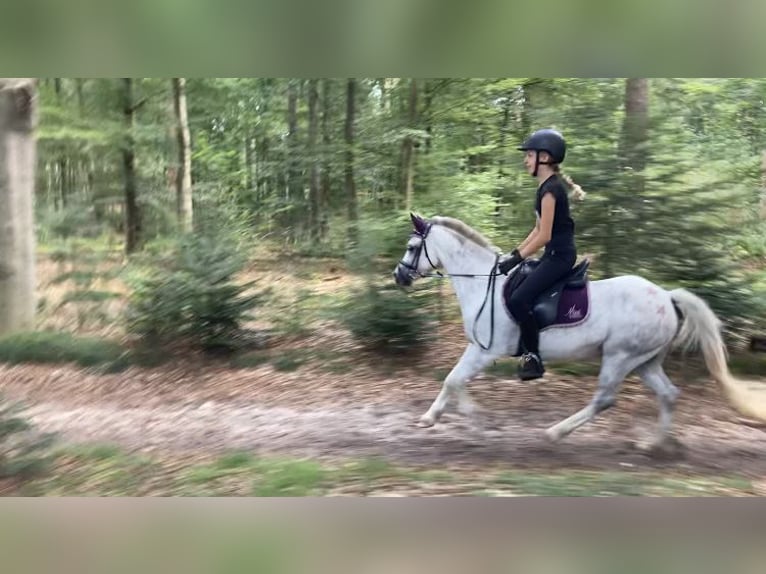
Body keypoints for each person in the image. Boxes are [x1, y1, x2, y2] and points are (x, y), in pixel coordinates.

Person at [497, 128, 585, 381]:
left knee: (518, 299)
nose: (525, 160)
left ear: (544, 158)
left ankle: (533, 358)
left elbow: (545, 235)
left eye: (530, 155)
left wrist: (518, 257)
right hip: (553, 254)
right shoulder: (546, 187)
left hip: (560, 257)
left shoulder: (551, 190)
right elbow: (536, 230)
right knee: (517, 285)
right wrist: (514, 254)